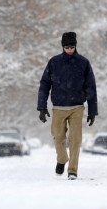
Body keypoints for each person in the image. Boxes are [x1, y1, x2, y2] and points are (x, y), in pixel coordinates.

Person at [37, 31, 98, 180]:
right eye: (66, 47)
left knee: (76, 139)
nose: (69, 49)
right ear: (62, 46)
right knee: (58, 137)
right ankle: (62, 159)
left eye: (71, 46)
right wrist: (42, 107)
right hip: (58, 107)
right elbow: (44, 85)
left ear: (75, 46)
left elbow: (91, 87)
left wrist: (92, 110)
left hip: (77, 107)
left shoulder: (83, 63)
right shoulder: (54, 62)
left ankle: (72, 170)